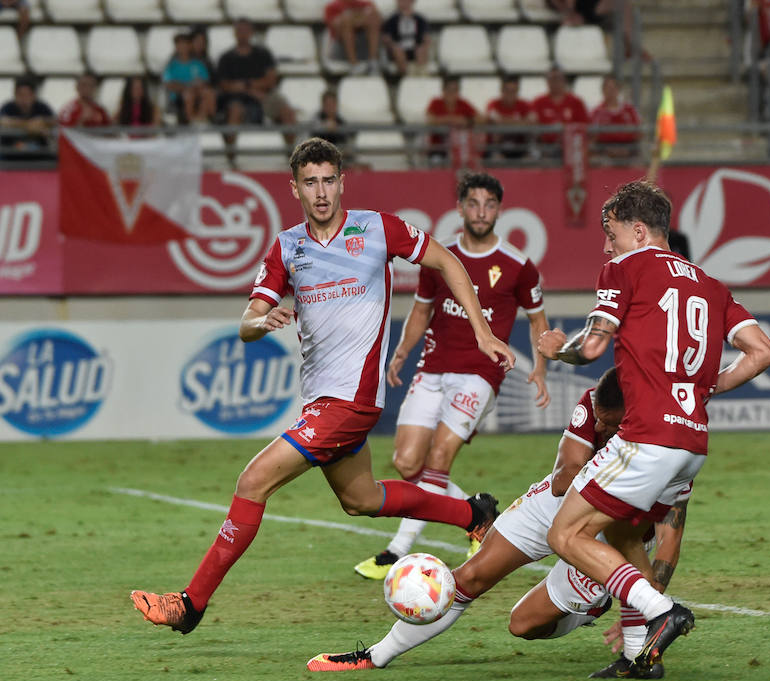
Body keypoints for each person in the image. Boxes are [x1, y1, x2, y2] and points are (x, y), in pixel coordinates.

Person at [131, 138, 514, 636]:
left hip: (351, 400)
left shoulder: (377, 228)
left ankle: (190, 604)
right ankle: (473, 514)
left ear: (341, 182)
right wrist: (262, 319)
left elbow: (445, 261)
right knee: (362, 499)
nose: (321, 192)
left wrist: (483, 330)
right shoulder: (288, 247)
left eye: (329, 180)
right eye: (310, 182)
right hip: (322, 398)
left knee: (252, 482)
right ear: (295, 188)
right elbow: (246, 324)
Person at [536, 181, 770, 673]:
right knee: (625, 533)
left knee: (565, 534)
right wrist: (711, 386)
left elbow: (593, 347)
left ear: (639, 230)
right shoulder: (710, 284)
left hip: (647, 436)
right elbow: (764, 351)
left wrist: (556, 349)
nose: (607, 245)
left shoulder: (625, 267)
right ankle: (636, 657)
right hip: (693, 441)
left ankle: (662, 612)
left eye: (612, 232)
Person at [312, 369, 689, 679]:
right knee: (470, 576)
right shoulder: (595, 402)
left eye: (612, 427)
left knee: (523, 625)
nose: (603, 432)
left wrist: (640, 607)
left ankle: (599, 603)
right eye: (601, 425)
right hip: (559, 501)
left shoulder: (667, 450)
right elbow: (562, 478)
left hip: (611, 536)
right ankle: (376, 655)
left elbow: (668, 538)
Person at [355, 172, 550, 580]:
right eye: (473, 204)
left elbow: (538, 321)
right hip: (432, 368)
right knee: (408, 462)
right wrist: (403, 350)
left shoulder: (517, 265)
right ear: (460, 208)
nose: (481, 212)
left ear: (500, 209)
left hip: (480, 374)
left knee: (439, 461)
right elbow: (422, 311)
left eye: (489, 204)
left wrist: (541, 369)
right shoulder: (438, 257)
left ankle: (396, 550)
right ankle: (477, 513)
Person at [215, 18, 295, 127]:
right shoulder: (225, 57)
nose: (242, 34)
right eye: (240, 30)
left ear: (251, 32)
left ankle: (293, 144)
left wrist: (246, 85)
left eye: (245, 30)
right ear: (234, 33)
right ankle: (231, 144)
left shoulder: (263, 54)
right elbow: (224, 85)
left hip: (264, 96)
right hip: (236, 99)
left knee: (287, 112)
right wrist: (251, 90)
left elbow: (271, 81)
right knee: (235, 111)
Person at [162, 30, 216, 125]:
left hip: (198, 94)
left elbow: (204, 81)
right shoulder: (171, 65)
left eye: (185, 44)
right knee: (188, 95)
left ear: (190, 45)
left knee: (208, 93)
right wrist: (187, 87)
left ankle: (208, 120)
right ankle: (190, 122)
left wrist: (196, 86)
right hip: (178, 99)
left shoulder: (198, 64)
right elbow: (169, 84)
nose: (182, 47)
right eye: (179, 44)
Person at [0, 76, 56, 163]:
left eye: (27, 95)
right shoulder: (7, 107)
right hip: (11, 155)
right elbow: (3, 121)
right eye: (20, 94)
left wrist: (42, 122)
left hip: (39, 155)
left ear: (34, 95)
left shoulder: (42, 107)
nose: (24, 99)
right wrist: (30, 125)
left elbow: (53, 121)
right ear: (15, 95)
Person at [531, 67, 589, 157]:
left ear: (564, 81)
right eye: (552, 79)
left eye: (558, 79)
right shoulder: (538, 102)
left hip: (570, 147)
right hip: (545, 147)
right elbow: (532, 124)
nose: (555, 83)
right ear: (547, 81)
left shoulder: (576, 102)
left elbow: (583, 126)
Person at [424, 74, 477, 165]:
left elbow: (481, 118)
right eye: (449, 90)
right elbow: (429, 119)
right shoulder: (436, 102)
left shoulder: (463, 103)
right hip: (439, 148)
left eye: (455, 90)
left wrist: (467, 121)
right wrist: (451, 119)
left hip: (458, 149)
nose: (452, 93)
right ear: (443, 91)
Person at [589, 74, 641, 161]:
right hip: (604, 153)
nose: (611, 92)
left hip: (629, 151)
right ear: (603, 90)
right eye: (608, 88)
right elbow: (592, 138)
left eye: (613, 88)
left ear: (618, 90)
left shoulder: (629, 110)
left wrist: (626, 150)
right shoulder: (596, 112)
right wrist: (608, 151)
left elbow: (639, 133)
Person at [485, 74, 534, 160]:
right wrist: (520, 123)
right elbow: (496, 120)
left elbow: (532, 121)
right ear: (502, 91)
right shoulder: (493, 104)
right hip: (498, 148)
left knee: (530, 159)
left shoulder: (524, 104)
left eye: (513, 91)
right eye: (507, 91)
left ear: (517, 91)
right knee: (496, 159)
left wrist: (504, 121)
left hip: (520, 148)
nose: (510, 94)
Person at [325, 0, 382, 73]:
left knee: (373, 16)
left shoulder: (366, 4)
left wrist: (354, 20)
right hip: (342, 50)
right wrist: (357, 20)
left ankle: (373, 62)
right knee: (346, 22)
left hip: (364, 48)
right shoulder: (331, 7)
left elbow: (377, 20)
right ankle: (354, 64)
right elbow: (337, 28)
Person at [379, 0, 430, 76]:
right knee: (398, 51)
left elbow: (426, 37)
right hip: (398, 50)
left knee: (421, 50)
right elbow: (386, 38)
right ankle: (407, 76)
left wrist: (424, 46)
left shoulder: (420, 19)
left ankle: (421, 75)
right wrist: (393, 45)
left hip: (415, 48)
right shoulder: (391, 21)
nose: (404, 3)